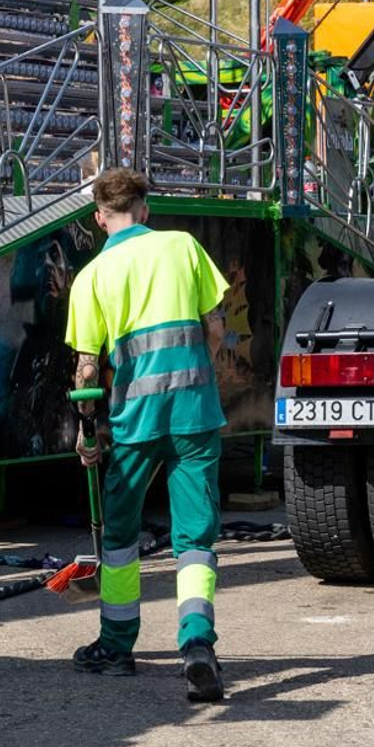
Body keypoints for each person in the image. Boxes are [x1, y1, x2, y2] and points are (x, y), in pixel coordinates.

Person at [64, 166, 229, 702]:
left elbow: (87, 371)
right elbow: (217, 329)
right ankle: (197, 644)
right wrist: (201, 383)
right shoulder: (182, 247)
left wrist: (87, 435)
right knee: (195, 540)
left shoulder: (92, 276)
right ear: (145, 209)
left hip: (135, 421)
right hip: (194, 416)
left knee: (118, 537)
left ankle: (116, 647)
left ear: (98, 217)